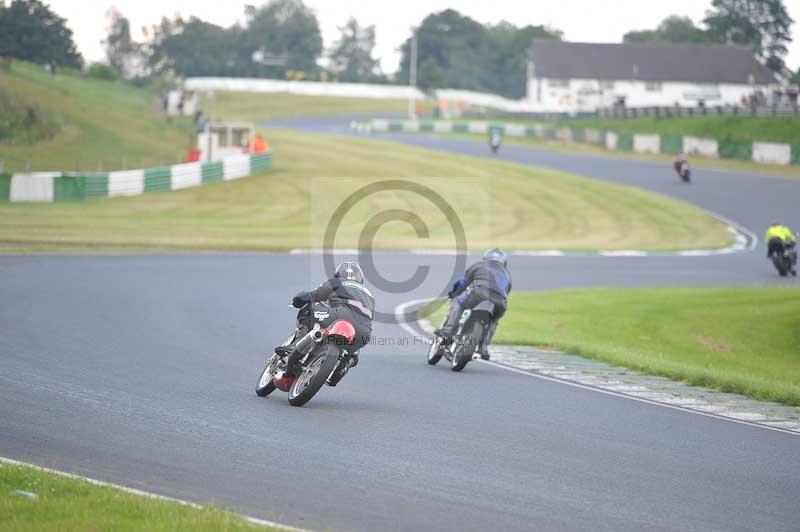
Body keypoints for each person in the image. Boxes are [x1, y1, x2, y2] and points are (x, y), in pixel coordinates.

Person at [278, 262, 374, 386]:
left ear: (338, 274)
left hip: (340, 316)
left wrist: (299, 299)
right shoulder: (369, 294)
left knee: (310, 307)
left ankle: (293, 346)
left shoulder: (337, 282)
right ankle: (343, 365)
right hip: (364, 331)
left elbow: (315, 295)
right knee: (353, 352)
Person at [436, 248, 511, 360]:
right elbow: (506, 291)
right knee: (494, 320)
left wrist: (454, 294)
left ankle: (449, 330)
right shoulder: (507, 275)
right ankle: (484, 347)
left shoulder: (479, 265)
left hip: (479, 292)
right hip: (500, 301)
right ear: (504, 262)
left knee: (458, 301)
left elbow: (462, 283)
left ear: (486, 258)